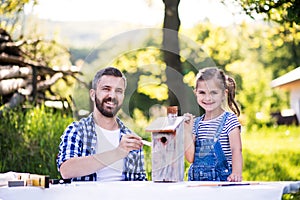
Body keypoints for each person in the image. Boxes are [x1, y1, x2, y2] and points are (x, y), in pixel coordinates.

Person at [56, 66, 147, 181]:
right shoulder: (77, 130)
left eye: (118, 91)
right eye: (106, 89)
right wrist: (117, 153)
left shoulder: (130, 139)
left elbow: (141, 184)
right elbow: (66, 170)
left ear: (123, 97)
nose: (112, 96)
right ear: (93, 94)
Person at [184, 66, 243, 182]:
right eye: (202, 92)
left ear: (224, 94)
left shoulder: (229, 120)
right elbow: (190, 158)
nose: (207, 98)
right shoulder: (196, 124)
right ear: (196, 93)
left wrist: (236, 173)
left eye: (213, 93)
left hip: (222, 182)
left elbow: (236, 149)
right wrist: (187, 131)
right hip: (198, 184)